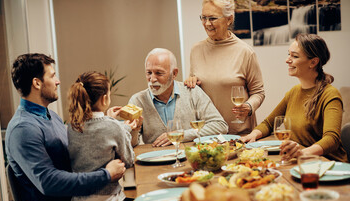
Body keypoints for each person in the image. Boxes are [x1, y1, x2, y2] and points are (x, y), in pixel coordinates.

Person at [5, 53, 126, 201]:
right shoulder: (23, 129)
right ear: (37, 83)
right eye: (52, 76)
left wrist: (106, 122)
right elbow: (49, 182)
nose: (58, 81)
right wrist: (106, 175)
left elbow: (76, 152)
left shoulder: (50, 116)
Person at [240, 34, 347, 162]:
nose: (287, 60)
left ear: (313, 62)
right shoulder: (294, 92)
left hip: (326, 164)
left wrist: (302, 152)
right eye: (289, 54)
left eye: (294, 56)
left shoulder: (330, 94)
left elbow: (332, 139)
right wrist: (252, 135)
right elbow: (269, 123)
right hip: (300, 161)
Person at [67, 71, 137, 201]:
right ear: (104, 98)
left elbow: (96, 135)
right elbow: (128, 160)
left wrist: (120, 127)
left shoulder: (72, 125)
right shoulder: (112, 126)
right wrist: (124, 129)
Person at [184, 0, 265, 135]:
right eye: (203, 18)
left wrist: (249, 107)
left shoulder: (245, 52)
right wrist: (190, 83)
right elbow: (196, 92)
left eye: (213, 18)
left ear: (229, 19)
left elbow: (258, 93)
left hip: (239, 134)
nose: (207, 23)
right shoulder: (196, 50)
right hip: (207, 134)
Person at [129, 48, 228, 147]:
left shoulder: (192, 92)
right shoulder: (137, 101)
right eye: (149, 73)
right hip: (154, 160)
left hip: (190, 158)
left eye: (159, 73)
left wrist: (183, 135)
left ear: (174, 73)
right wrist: (133, 130)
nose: (152, 79)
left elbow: (220, 126)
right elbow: (131, 144)